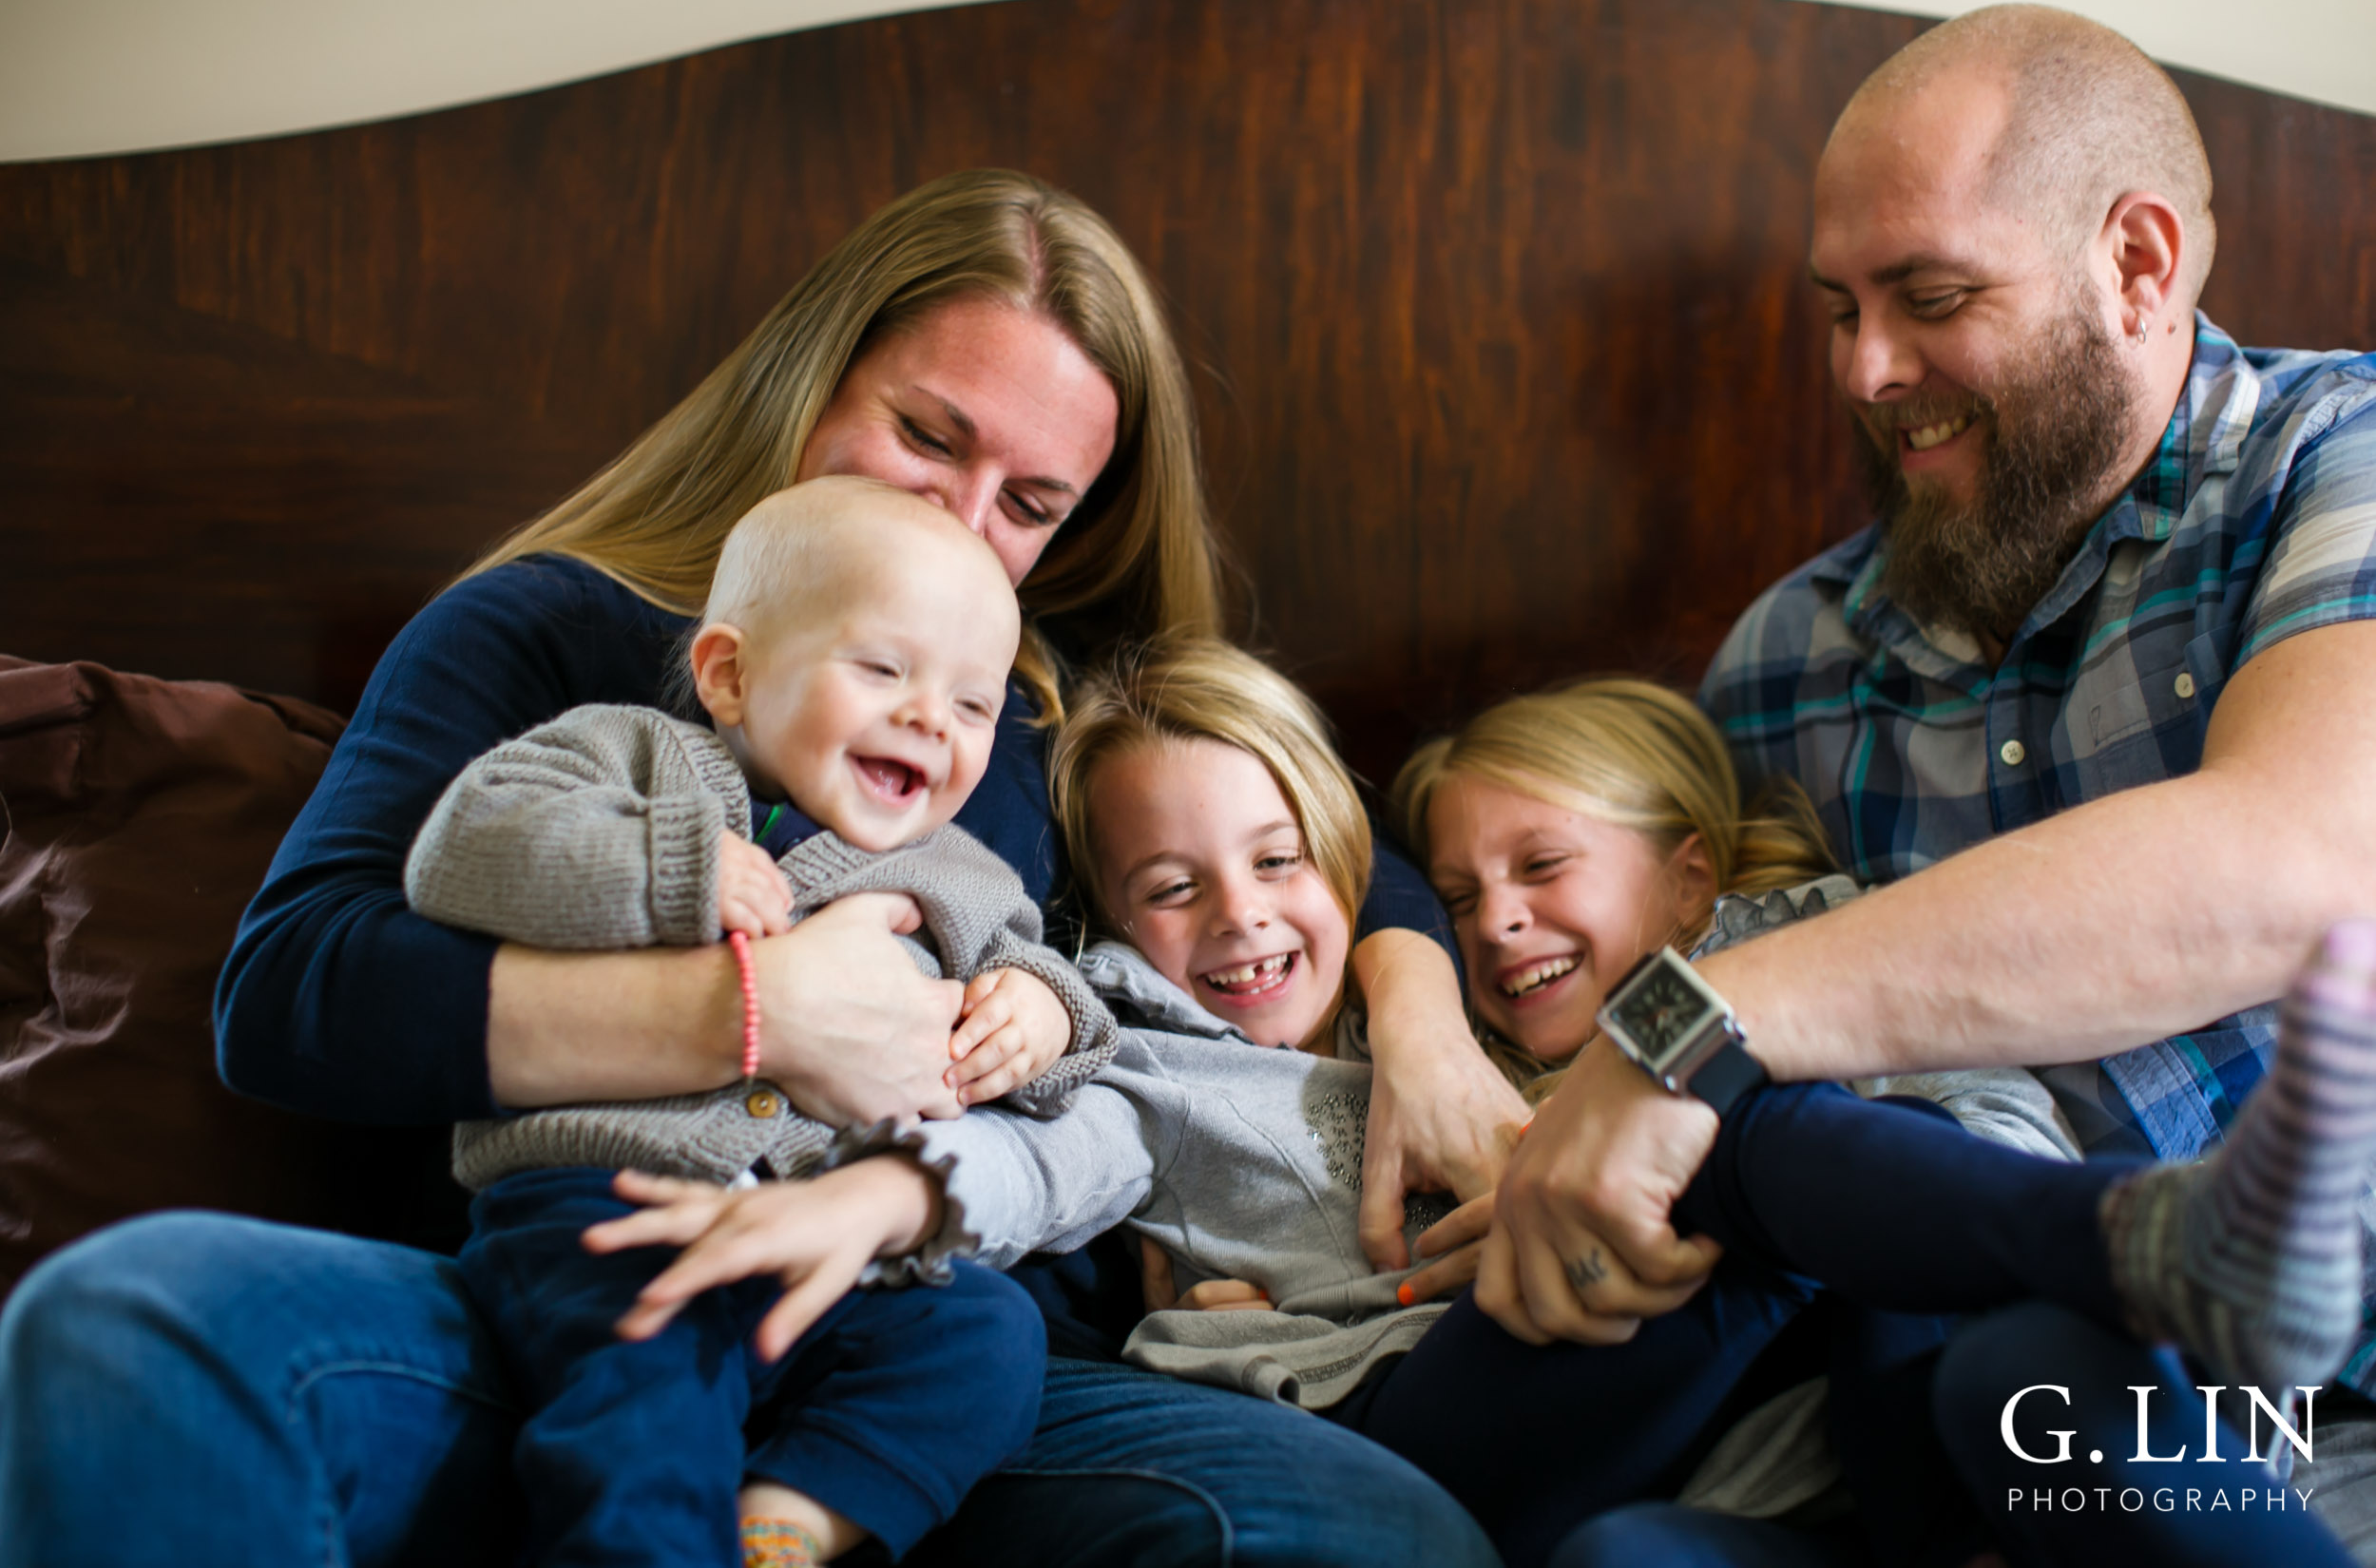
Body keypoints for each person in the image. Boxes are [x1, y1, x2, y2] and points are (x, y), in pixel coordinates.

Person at [0, 170, 1502, 1568]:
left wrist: (1424, 1028)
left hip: (934, 1336)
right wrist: (751, 1010)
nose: (958, 525)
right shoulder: (551, 638)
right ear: (807, 381)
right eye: (927, 436)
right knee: (128, 1318)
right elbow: (294, 990)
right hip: (592, 1280)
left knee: (1377, 1526)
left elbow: (1324, 842)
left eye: (1031, 505)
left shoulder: (1023, 707)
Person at [591, 646, 2368, 1568]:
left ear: (1350, 873)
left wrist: (1417, 981)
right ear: (1102, 925)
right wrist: (891, 1194)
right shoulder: (1122, 1042)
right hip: (1414, 1415)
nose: (1234, 919)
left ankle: (2104, 1327)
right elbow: (1044, 1147)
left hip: (1661, 1448)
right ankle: (2156, 1242)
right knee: (1717, 1136)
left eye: (1280, 860)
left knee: (1699, 1491)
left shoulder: (1481, 1040)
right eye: (1166, 891)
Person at [1474, 5, 2376, 1555]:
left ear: (2141, 264)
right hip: (1917, 1416)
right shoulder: (1792, 653)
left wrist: (1684, 1028)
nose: (1873, 372)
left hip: (2306, 1406)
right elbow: (1594, 923)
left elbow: (2299, 872)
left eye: (1934, 297)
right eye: (1840, 310)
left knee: (2038, 1386)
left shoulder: (2334, 461)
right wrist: (1423, 994)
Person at [406, 482, 1126, 1567]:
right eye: (883, 668)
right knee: (649, 1396)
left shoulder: (961, 874)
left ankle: (786, 1522)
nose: (932, 715)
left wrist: (1042, 1011)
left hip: (821, 1245)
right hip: (613, 1200)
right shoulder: (626, 758)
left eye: (973, 705)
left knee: (986, 1333)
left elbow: (1057, 999)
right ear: (730, 673)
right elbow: (460, 851)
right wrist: (672, 869)